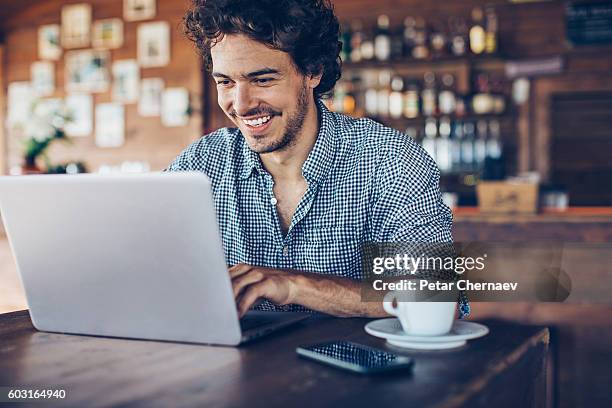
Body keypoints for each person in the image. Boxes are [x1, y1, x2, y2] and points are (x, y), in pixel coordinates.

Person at [168, 0, 467, 318]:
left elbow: (435, 299)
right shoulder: (200, 165)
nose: (241, 105)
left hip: (357, 365)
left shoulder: (390, 161)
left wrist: (295, 286)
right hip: (238, 366)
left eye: (263, 79)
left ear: (312, 71)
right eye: (225, 82)